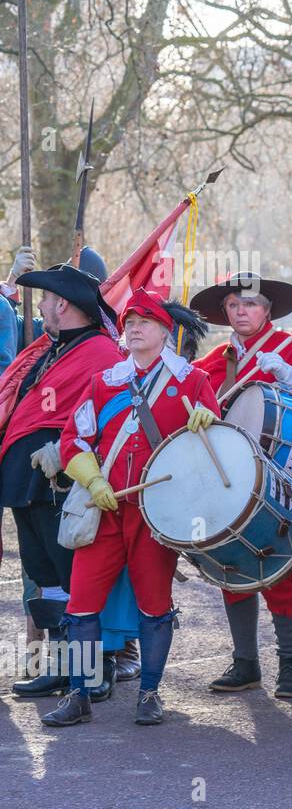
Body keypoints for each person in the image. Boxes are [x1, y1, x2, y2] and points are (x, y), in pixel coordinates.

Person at [42, 288, 221, 727]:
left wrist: (210, 422)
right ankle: (79, 694)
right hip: (104, 509)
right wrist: (94, 479)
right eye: (129, 323)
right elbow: (74, 440)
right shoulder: (106, 382)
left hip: (157, 514)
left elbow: (217, 448)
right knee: (81, 604)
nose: (135, 328)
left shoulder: (191, 381)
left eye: (145, 321)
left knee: (155, 604)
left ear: (165, 330)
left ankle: (149, 693)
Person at [190, 272, 292, 699]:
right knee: (229, 565)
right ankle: (246, 663)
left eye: (250, 304)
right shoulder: (213, 361)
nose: (241, 311)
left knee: (279, 568)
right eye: (233, 305)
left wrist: (290, 376)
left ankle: (291, 665)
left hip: (281, 481)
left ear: (267, 310)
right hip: (228, 482)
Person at [2, 261, 128, 702]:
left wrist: (67, 451)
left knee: (78, 578)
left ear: (64, 304)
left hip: (65, 481)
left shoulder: (103, 354)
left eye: (49, 302)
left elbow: (114, 418)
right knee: (45, 575)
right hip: (26, 480)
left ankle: (97, 670)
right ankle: (60, 668)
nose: (44, 312)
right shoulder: (52, 349)